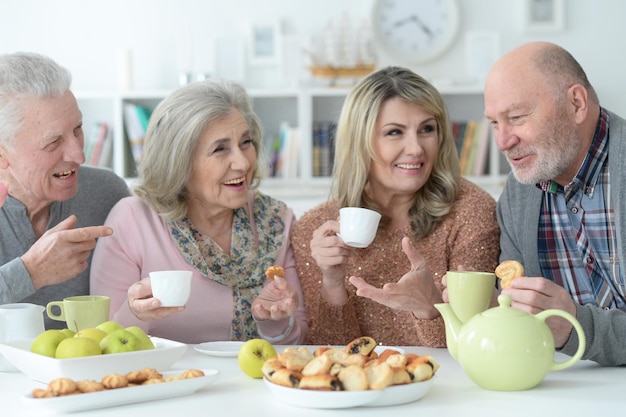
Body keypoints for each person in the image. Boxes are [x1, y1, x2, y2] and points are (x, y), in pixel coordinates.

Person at [291, 66, 500, 347]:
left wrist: (430, 308)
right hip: (362, 388)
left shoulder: (470, 212)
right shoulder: (315, 228)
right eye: (394, 133)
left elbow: (478, 345)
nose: (415, 148)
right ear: (360, 141)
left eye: (427, 129)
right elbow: (331, 355)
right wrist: (332, 282)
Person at [90, 79, 308, 345]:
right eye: (220, 149)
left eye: (246, 142)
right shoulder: (133, 220)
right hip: (163, 380)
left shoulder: (276, 220)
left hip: (255, 383)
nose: (242, 162)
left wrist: (273, 321)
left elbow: (299, 344)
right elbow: (102, 342)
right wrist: (136, 314)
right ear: (179, 162)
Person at [483, 41, 626, 366]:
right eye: (494, 123)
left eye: (517, 117)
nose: (503, 142)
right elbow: (520, 317)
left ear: (576, 103)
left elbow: (565, 327)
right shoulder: (519, 195)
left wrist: (576, 326)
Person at [0, 52, 130, 328]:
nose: (79, 155)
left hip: (87, 369)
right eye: (53, 142)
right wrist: (30, 273)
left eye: (78, 129)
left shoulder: (107, 193)